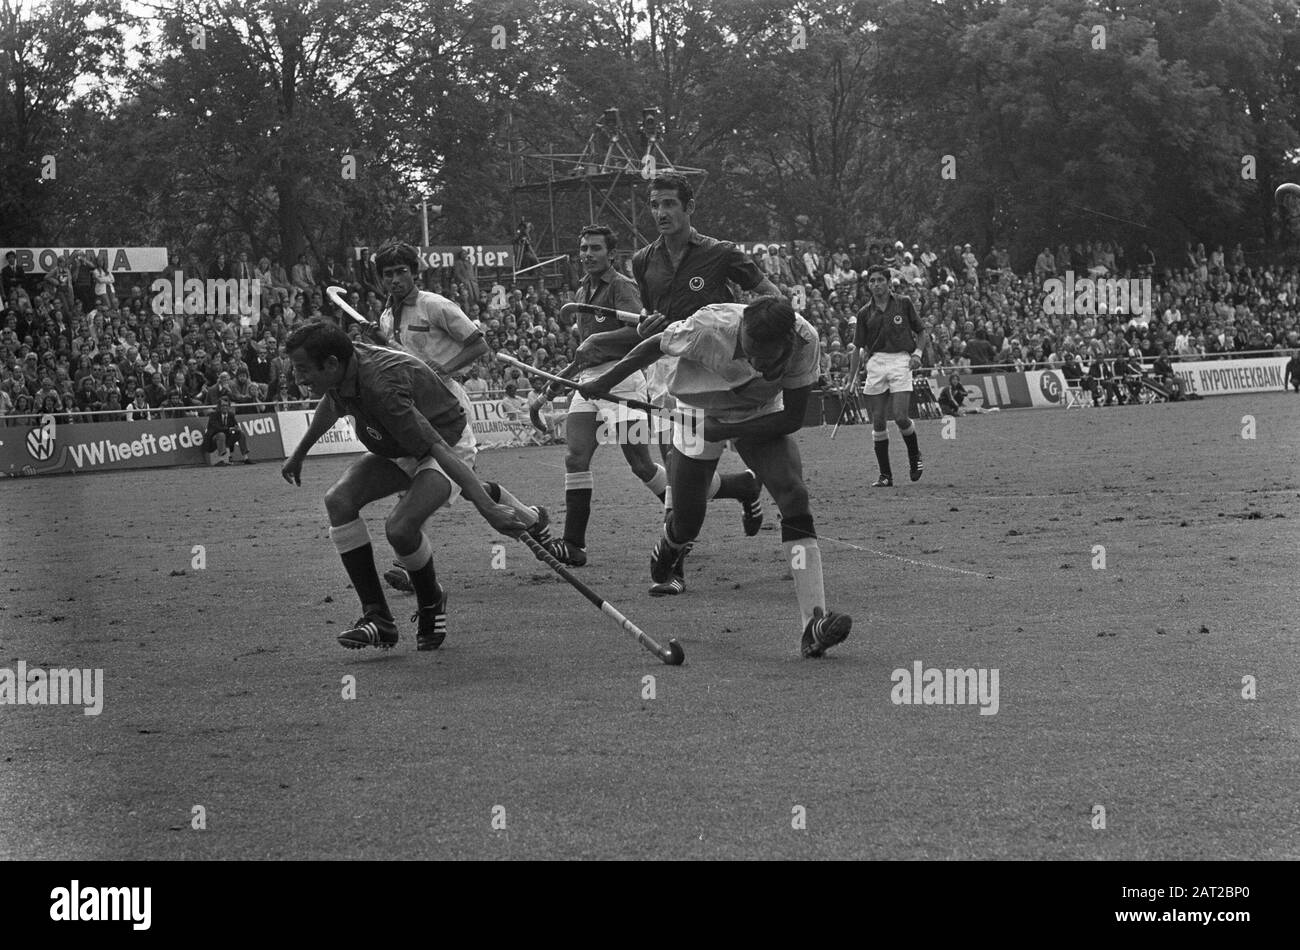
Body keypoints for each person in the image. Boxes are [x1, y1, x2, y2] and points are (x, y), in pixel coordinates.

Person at [579, 297, 852, 656]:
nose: (755, 364)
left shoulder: (806, 340)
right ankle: (671, 543)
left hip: (757, 411)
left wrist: (723, 431)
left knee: (793, 495)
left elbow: (792, 418)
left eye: (766, 359)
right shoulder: (709, 328)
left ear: (787, 343)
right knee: (689, 521)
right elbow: (653, 343)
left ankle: (812, 626)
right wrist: (607, 382)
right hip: (697, 408)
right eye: (749, 353)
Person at [280, 321, 546, 651]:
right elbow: (333, 403)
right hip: (399, 445)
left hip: (447, 443)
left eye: (303, 369)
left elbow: (436, 447)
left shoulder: (382, 387)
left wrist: (488, 509)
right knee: (339, 501)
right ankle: (378, 617)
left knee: (401, 528)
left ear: (331, 364)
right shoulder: (342, 366)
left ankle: (431, 600)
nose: (299, 379)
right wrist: (299, 453)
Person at [628, 172, 777, 582]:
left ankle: (743, 488)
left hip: (721, 373)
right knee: (675, 466)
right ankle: (677, 560)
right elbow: (648, 317)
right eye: (655, 205)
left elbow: (770, 296)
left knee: (703, 468)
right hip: (667, 368)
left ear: (689, 207)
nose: (661, 213)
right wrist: (646, 326)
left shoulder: (722, 253)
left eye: (670, 204)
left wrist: (760, 336)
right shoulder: (642, 261)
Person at [365, 241, 538, 595]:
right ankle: (532, 518)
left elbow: (478, 344)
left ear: (415, 272)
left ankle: (408, 563)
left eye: (402, 272)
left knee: (435, 481)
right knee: (448, 481)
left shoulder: (435, 305)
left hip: (444, 404)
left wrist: (441, 369)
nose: (395, 279)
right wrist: (380, 341)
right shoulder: (386, 315)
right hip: (408, 407)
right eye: (388, 274)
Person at [537, 225, 668, 567]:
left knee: (640, 464)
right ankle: (573, 544)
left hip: (624, 382)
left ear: (611, 254)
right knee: (575, 458)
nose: (587, 254)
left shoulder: (623, 287)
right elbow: (585, 351)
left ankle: (681, 518)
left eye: (595, 248)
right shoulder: (583, 289)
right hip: (588, 385)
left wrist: (599, 342)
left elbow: (641, 332)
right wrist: (559, 381)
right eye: (583, 248)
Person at [842, 265, 927, 487]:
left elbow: (922, 331)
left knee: (900, 416)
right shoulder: (863, 313)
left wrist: (917, 353)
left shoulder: (904, 302)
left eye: (880, 280)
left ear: (888, 282)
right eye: (872, 281)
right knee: (878, 420)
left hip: (901, 360)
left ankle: (914, 456)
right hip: (876, 362)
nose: (876, 284)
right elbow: (858, 348)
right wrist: (851, 380)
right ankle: (885, 475)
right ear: (868, 285)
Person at [204, 394, 252, 463]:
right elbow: (217, 428)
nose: (225, 407)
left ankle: (246, 458)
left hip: (227, 438)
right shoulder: (213, 415)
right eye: (223, 405)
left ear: (229, 406)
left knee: (241, 433)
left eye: (226, 405)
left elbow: (235, 425)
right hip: (213, 440)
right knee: (221, 434)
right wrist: (229, 429)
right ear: (219, 406)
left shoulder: (231, 415)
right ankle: (221, 460)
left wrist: (236, 428)